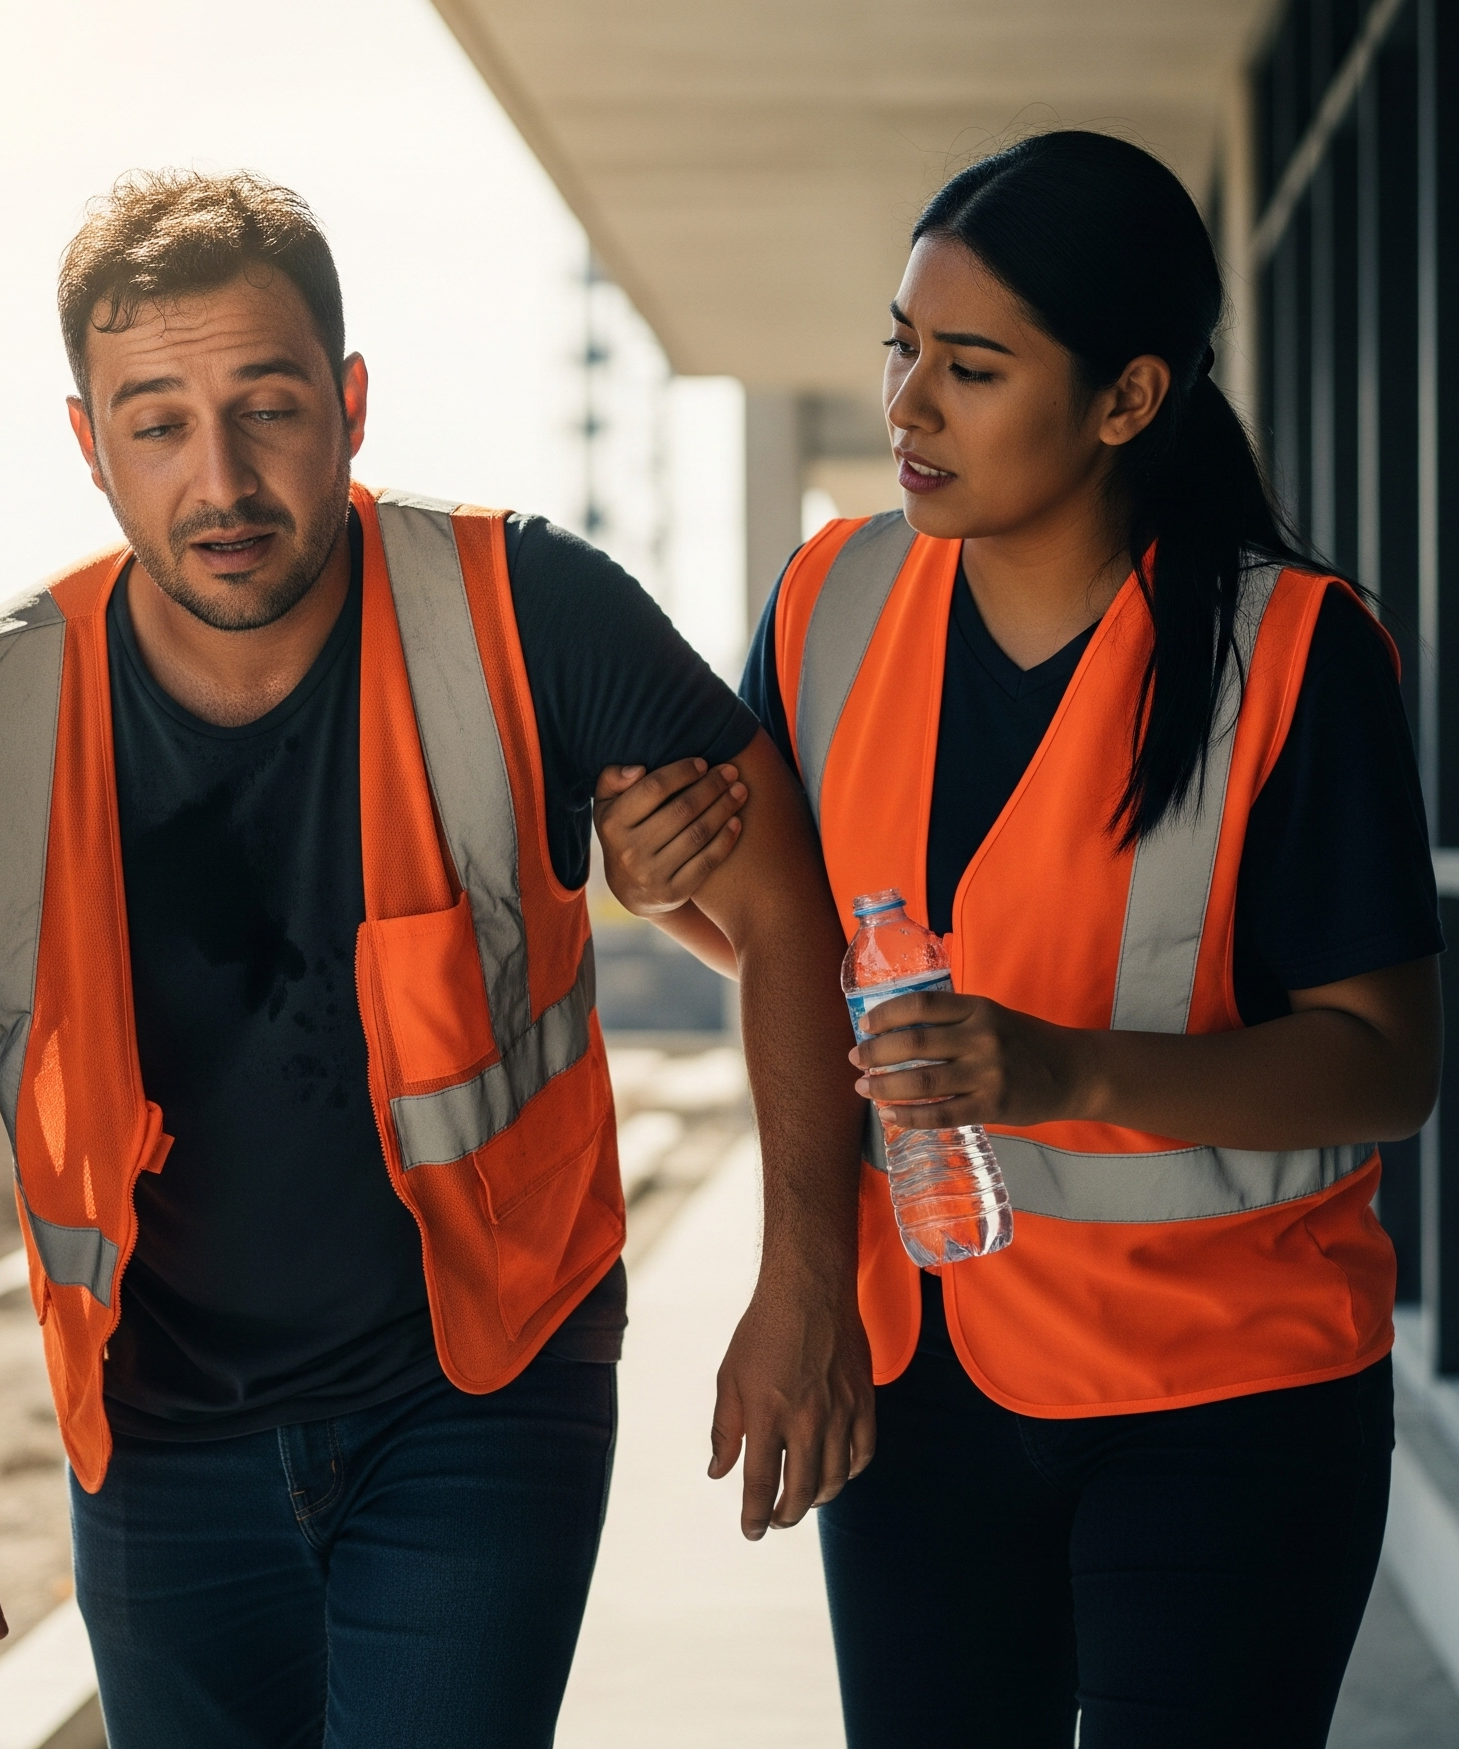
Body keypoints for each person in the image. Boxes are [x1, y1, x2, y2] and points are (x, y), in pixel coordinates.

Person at [0, 169, 874, 1749]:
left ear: (352, 403)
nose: (222, 478)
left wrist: (805, 1280)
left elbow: (790, 908)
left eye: (270, 408)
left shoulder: (530, 608)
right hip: (157, 1440)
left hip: (482, 1391)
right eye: (159, 423)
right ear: (88, 444)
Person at [593, 130, 1441, 1749]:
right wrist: (672, 893)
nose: (910, 405)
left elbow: (1388, 1065)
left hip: (1228, 1398)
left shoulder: (1293, 654)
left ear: (1128, 398)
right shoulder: (827, 600)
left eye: (972, 368)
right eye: (901, 348)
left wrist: (1059, 1067)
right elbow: (818, 969)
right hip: (923, 1391)